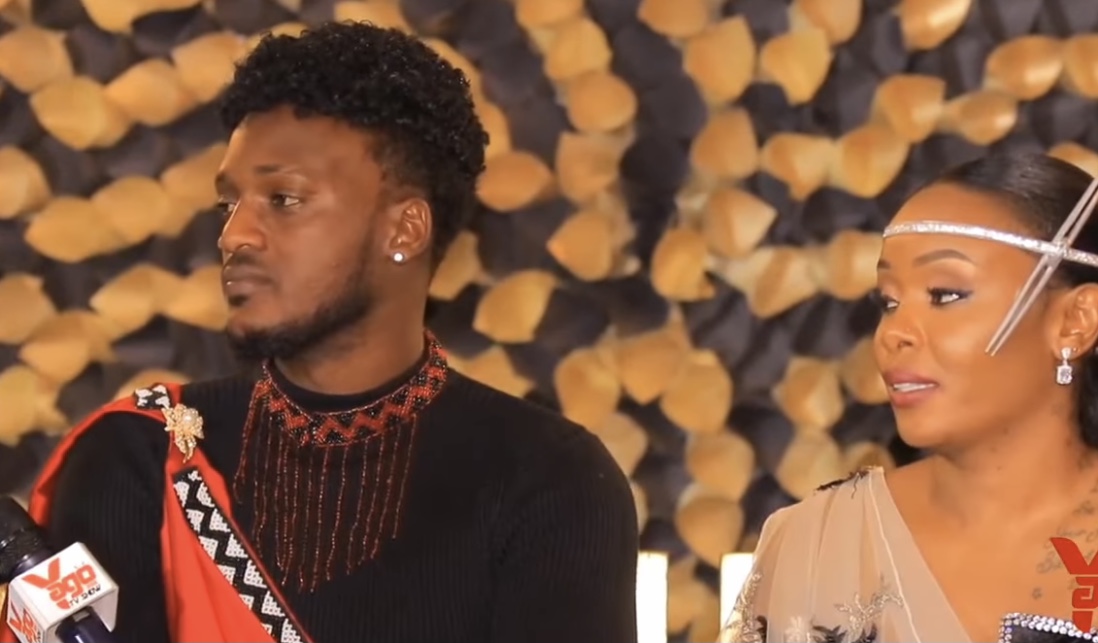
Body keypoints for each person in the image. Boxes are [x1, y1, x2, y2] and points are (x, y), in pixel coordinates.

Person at [0, 21, 639, 643]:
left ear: (404, 230)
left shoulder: (551, 481)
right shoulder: (135, 458)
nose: (234, 235)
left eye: (283, 199)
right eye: (228, 204)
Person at [719, 152, 1098, 643]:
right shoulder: (817, 542)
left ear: (1075, 322)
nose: (893, 333)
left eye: (944, 295)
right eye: (889, 301)